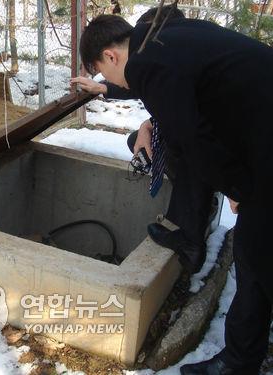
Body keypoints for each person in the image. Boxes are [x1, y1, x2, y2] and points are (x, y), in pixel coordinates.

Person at [77, 13, 273, 375]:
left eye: (103, 71)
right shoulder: (161, 36)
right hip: (272, 134)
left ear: (111, 57)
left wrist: (237, 186)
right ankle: (240, 360)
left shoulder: (151, 64)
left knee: (267, 255)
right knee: (255, 252)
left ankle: (239, 361)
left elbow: (194, 140)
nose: (109, 79)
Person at [72, 5, 216, 274]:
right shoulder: (178, 55)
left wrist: (235, 187)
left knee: (188, 160)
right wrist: (107, 90)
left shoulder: (168, 63)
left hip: (242, 148)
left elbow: (194, 131)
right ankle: (194, 208)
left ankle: (189, 236)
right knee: (142, 142)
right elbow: (140, 87)